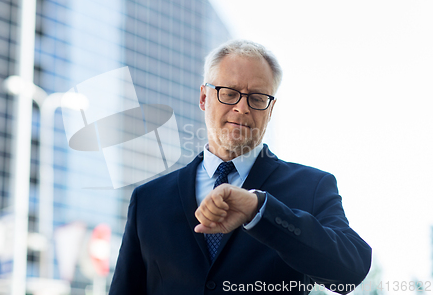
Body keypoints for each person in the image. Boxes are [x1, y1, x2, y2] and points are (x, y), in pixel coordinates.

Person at [109, 39, 372, 295]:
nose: (242, 107)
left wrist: (259, 210)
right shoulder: (148, 200)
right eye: (229, 93)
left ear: (270, 110)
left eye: (257, 98)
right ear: (203, 98)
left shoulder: (311, 187)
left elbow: (350, 272)